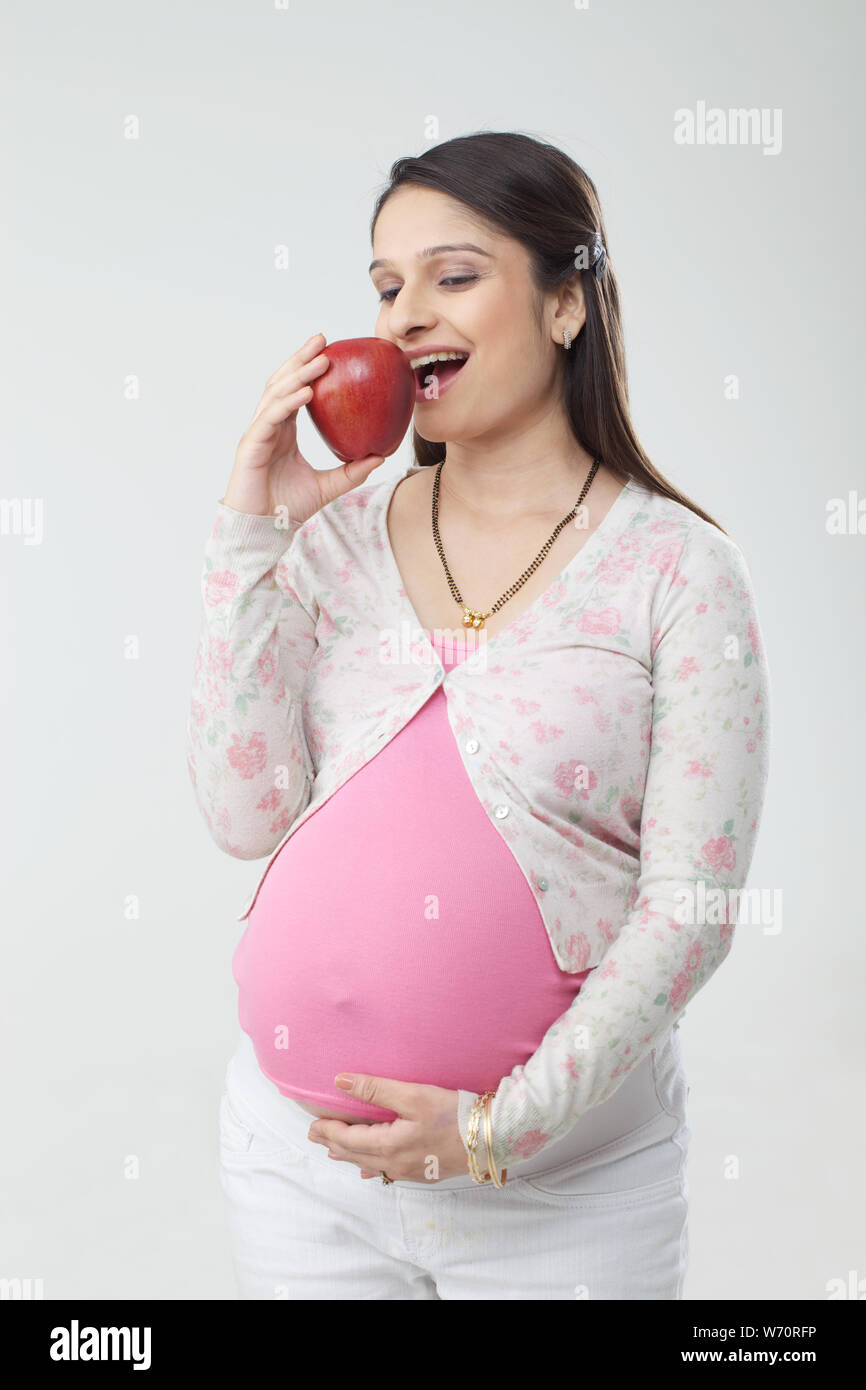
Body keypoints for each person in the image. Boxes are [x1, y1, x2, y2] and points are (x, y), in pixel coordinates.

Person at [186, 130, 770, 1300]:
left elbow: (690, 908)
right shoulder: (336, 542)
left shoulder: (676, 570)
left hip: (561, 1201)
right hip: (301, 1181)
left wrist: (498, 1132)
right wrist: (252, 530)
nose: (403, 316)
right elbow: (244, 814)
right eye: (385, 285)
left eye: (452, 276)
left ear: (565, 306)